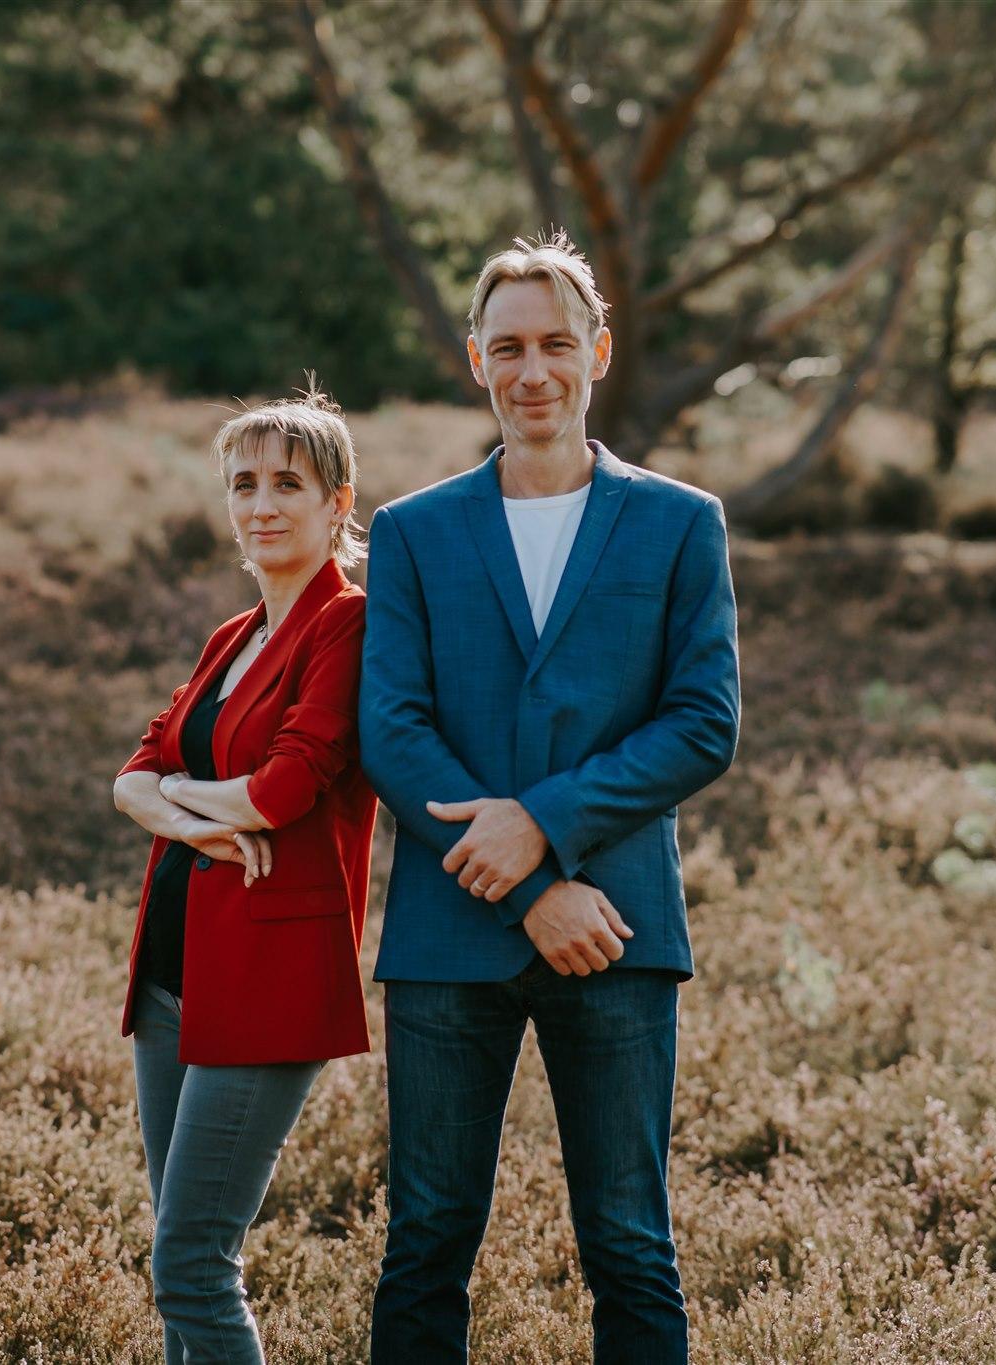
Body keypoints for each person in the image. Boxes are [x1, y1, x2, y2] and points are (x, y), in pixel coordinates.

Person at [360, 232, 742, 1364]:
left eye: (556, 344)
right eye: (508, 346)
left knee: (628, 1244)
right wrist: (528, 883)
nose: (533, 370)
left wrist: (544, 824)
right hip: (446, 936)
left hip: (616, 930)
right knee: (424, 1239)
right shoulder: (411, 532)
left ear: (598, 353)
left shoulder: (681, 522)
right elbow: (390, 729)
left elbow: (701, 721)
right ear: (474, 358)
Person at [110, 388, 376, 1365]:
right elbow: (134, 772)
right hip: (173, 979)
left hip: (267, 980)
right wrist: (178, 802)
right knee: (181, 1266)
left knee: (190, 1264)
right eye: (242, 484)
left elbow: (285, 788)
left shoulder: (344, 625)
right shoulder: (232, 635)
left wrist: (176, 799)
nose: (260, 504)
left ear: (337, 504)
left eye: (287, 485)